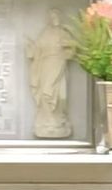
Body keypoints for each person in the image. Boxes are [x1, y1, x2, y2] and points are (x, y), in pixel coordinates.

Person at [26, 10, 75, 138]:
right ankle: (47, 123)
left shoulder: (64, 33)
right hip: (46, 66)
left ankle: (59, 121)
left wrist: (68, 46)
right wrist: (31, 48)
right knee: (46, 93)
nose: (55, 19)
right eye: (52, 16)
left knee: (60, 95)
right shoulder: (45, 33)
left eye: (56, 16)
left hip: (59, 64)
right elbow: (37, 49)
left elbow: (73, 49)